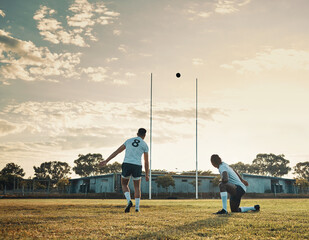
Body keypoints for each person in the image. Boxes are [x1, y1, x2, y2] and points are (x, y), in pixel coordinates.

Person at [100, 128, 149, 213]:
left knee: (124, 184)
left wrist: (106, 161)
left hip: (127, 164)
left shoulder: (129, 141)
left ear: (137, 134)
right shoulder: (145, 145)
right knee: (137, 187)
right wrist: (147, 174)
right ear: (144, 135)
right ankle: (137, 208)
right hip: (137, 165)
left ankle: (129, 201)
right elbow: (146, 161)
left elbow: (117, 152)